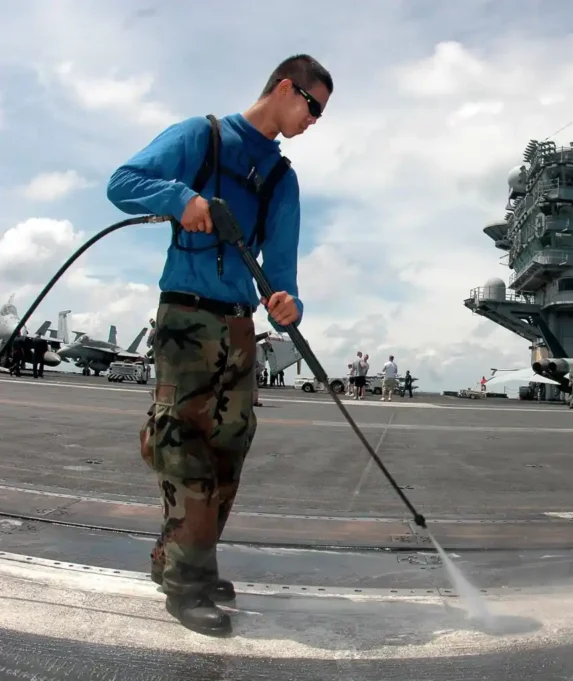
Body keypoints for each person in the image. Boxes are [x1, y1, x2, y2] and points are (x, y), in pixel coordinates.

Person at [105, 54, 333, 637]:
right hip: (185, 315)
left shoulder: (282, 179)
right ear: (286, 88)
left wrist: (289, 307)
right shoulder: (200, 137)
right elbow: (122, 183)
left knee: (230, 449)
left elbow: (283, 275)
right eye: (313, 107)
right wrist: (183, 200)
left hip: (238, 326)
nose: (315, 122)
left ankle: (180, 558)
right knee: (184, 447)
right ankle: (188, 583)